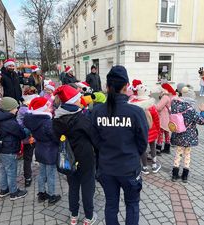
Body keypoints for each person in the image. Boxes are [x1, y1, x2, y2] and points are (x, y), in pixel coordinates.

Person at [90, 66, 149, 225]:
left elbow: (95, 140)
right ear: (126, 86)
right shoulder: (136, 112)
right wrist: (130, 154)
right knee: (132, 204)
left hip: (106, 168)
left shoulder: (96, 111)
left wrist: (106, 151)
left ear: (107, 87)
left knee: (111, 205)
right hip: (128, 168)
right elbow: (143, 142)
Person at [53, 85, 97, 225]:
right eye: (78, 99)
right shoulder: (80, 118)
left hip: (68, 158)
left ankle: (73, 215)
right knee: (87, 186)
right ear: (73, 102)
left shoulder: (56, 119)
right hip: (85, 158)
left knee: (73, 187)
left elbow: (56, 139)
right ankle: (88, 217)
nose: (81, 101)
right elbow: (93, 136)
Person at [24, 97, 61, 205]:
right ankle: (52, 195)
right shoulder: (47, 123)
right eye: (47, 106)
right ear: (42, 108)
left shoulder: (33, 120)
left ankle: (41, 193)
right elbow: (55, 137)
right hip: (50, 151)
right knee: (51, 175)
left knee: (42, 173)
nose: (50, 107)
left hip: (40, 149)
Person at [0, 97, 28, 200]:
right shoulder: (9, 121)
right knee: (11, 171)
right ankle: (14, 192)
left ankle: (4, 189)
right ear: (9, 109)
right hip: (9, 149)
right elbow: (21, 134)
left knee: (3, 169)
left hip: (2, 148)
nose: (17, 110)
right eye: (15, 108)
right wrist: (25, 130)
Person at [170, 91, 204, 183]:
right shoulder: (191, 110)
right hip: (189, 137)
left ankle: (174, 175)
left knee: (178, 154)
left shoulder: (175, 107)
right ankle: (184, 176)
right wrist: (203, 111)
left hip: (178, 134)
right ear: (191, 99)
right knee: (187, 155)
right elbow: (202, 121)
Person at [129, 82, 161, 175]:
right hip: (152, 130)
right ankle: (154, 166)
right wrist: (158, 130)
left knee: (143, 148)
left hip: (141, 132)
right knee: (152, 146)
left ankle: (145, 167)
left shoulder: (134, 105)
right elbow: (156, 119)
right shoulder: (151, 105)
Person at [156, 83, 177, 154]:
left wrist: (152, 105)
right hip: (168, 118)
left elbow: (158, 107)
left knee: (160, 133)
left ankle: (158, 149)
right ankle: (167, 148)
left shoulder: (165, 97)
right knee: (167, 133)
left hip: (163, 118)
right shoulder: (171, 96)